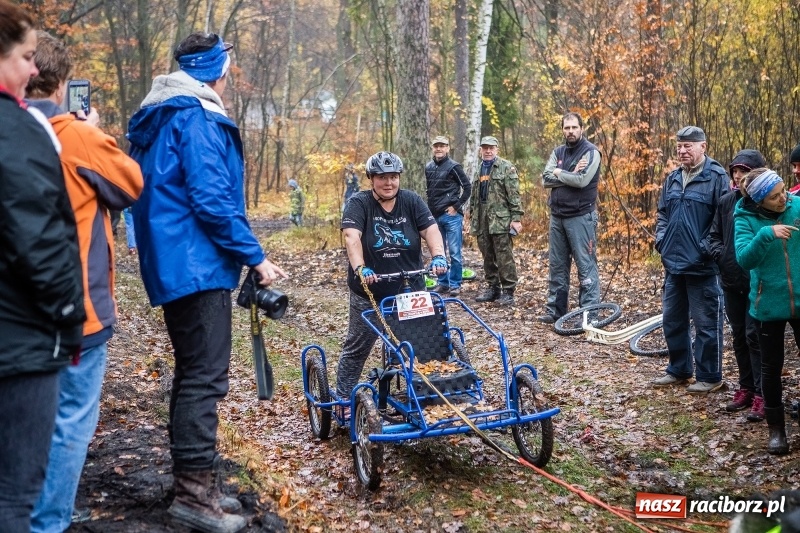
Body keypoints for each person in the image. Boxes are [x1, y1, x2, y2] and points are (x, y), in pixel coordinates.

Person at [127, 32, 287, 533]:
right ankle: (195, 499)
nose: (228, 76)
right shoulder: (195, 117)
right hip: (196, 264)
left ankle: (195, 485)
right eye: (225, 68)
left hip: (175, 261)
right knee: (204, 378)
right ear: (215, 70)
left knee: (192, 372)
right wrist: (256, 258)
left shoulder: (161, 114)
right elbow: (212, 199)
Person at [25, 31, 145, 533]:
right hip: (77, 311)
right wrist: (91, 131)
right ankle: (48, 520)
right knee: (70, 418)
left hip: (17, 309)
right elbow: (130, 184)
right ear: (60, 84)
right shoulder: (74, 136)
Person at [0, 4, 86, 531]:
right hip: (22, 338)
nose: (34, 70)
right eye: (26, 56)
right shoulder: (18, 131)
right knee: (14, 495)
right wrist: (70, 317)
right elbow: (38, 237)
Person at [338, 151, 447, 399]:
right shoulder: (359, 203)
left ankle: (425, 396)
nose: (389, 183)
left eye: (394, 177)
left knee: (421, 344)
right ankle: (343, 399)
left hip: (410, 289)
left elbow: (431, 229)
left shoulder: (411, 201)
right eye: (382, 177)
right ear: (371, 178)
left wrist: (439, 255)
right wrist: (360, 268)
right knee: (358, 347)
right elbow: (351, 237)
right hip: (371, 291)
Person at [652, 126, 727, 393]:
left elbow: (723, 220)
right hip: (673, 264)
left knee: (706, 324)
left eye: (688, 146)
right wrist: (662, 240)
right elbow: (662, 213)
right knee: (673, 320)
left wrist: (705, 248)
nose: (682, 151)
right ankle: (679, 370)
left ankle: (710, 376)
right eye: (679, 147)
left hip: (702, 266)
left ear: (703, 147)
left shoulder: (716, 177)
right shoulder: (673, 178)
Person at [735, 168, 800, 455]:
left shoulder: (797, 206)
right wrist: (766, 234)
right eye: (774, 197)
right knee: (771, 368)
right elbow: (744, 259)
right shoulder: (745, 218)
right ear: (759, 201)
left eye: (783, 190)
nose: (783, 198)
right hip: (768, 303)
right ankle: (776, 430)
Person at [704, 149, 765, 421]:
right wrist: (722, 256)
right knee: (739, 336)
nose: (738, 176)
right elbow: (713, 236)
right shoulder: (727, 202)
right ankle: (746, 388)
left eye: (744, 171)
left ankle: (763, 393)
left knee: (755, 336)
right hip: (731, 281)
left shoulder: (765, 202)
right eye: (735, 171)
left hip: (758, 283)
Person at [538, 112, 602, 324]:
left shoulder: (591, 152)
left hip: (581, 217)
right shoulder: (558, 152)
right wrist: (569, 173)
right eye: (567, 128)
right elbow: (545, 179)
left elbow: (582, 181)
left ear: (581, 128)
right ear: (563, 130)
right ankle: (555, 310)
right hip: (557, 216)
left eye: (574, 127)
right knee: (557, 266)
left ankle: (589, 315)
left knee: (586, 266)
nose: (571, 131)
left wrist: (558, 172)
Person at [468, 135, 523, 306]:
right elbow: (474, 196)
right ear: (481, 150)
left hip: (500, 218)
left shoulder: (506, 168)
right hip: (482, 218)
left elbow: (514, 195)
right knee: (487, 254)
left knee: (504, 255)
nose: (488, 151)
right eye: (485, 148)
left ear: (497, 149)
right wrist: (472, 215)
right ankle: (493, 287)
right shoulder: (479, 169)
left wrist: (516, 218)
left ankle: (508, 291)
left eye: (491, 148)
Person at [425, 135, 472, 297]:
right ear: (433, 148)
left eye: (442, 146)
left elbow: (467, 187)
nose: (439, 148)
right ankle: (443, 283)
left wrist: (456, 206)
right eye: (436, 146)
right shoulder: (429, 167)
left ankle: (455, 284)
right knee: (438, 252)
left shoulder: (454, 167)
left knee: (454, 253)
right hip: (435, 216)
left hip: (451, 216)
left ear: (447, 148)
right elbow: (430, 191)